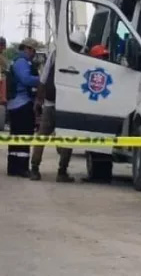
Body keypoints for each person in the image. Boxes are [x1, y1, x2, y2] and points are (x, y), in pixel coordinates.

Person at [30, 33, 84, 182]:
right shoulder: (82, 58)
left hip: (50, 103)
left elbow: (43, 78)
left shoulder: (56, 54)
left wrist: (39, 100)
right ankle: (62, 172)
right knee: (68, 140)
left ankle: (34, 169)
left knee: (42, 138)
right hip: (67, 106)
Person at [6, 38, 41, 177]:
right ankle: (21, 168)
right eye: (33, 50)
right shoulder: (22, 62)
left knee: (16, 137)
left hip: (17, 104)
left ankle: (13, 167)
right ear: (28, 49)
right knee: (24, 136)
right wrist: (41, 79)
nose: (34, 53)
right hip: (22, 104)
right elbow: (26, 80)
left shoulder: (17, 61)